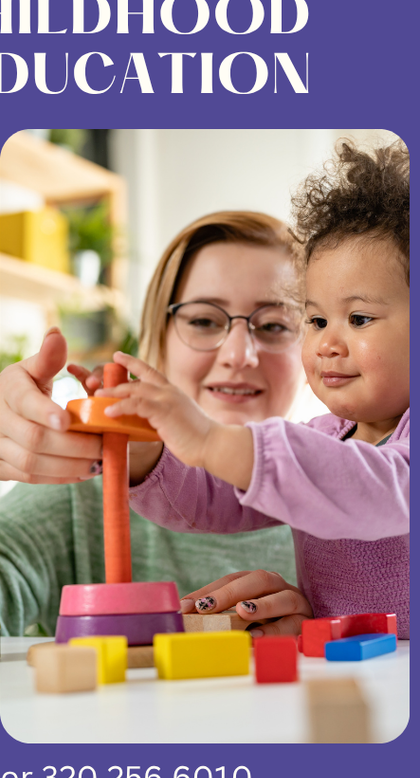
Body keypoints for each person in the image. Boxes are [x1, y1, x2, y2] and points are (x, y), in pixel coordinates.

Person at [102, 141, 409, 639]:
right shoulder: (326, 437)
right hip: (344, 674)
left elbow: (376, 487)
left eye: (358, 318)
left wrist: (212, 439)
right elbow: (216, 497)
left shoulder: (369, 457)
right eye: (314, 319)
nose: (327, 343)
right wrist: (148, 454)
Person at [1, 210, 303, 636]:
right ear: (156, 340)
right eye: (203, 321)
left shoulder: (356, 500)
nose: (239, 355)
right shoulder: (80, 501)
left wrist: (339, 627)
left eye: (274, 324)